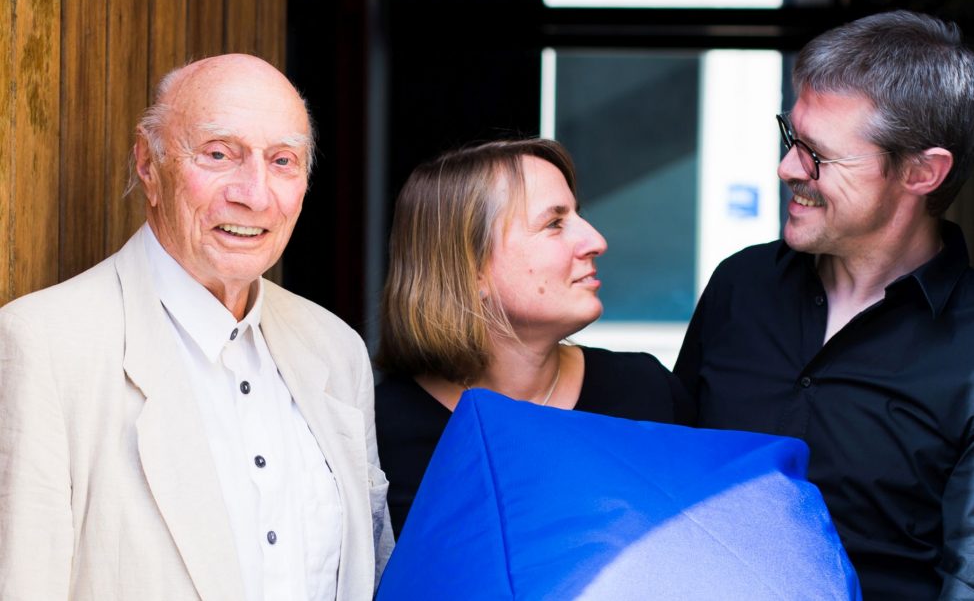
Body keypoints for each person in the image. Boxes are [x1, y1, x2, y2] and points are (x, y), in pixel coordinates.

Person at [0, 54, 392, 600]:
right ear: (147, 164)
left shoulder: (336, 349)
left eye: (282, 161)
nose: (253, 194)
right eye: (218, 154)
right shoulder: (41, 344)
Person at [674, 11, 974, 600]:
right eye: (791, 139)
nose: (788, 169)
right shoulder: (742, 284)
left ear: (922, 172)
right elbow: (668, 475)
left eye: (819, 156)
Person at [374, 138, 695, 536]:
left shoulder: (646, 391)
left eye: (578, 214)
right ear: (471, 269)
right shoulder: (378, 436)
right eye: (554, 223)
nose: (596, 241)